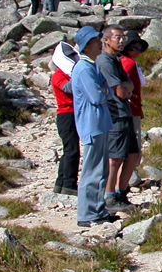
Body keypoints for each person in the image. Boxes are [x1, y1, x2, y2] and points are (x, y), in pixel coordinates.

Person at [71, 26, 118, 227]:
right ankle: (87, 213)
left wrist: (104, 90)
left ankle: (97, 209)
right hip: (92, 125)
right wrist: (104, 91)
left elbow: (104, 89)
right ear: (87, 45)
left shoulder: (91, 66)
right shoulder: (83, 69)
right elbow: (97, 95)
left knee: (100, 169)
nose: (100, 43)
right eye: (96, 40)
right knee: (92, 170)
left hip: (99, 123)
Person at [96, 24, 138, 212]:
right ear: (106, 40)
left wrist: (127, 86)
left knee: (132, 155)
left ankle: (121, 192)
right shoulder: (105, 62)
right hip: (115, 114)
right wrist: (126, 87)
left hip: (124, 113)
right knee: (115, 158)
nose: (122, 41)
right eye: (117, 37)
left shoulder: (116, 60)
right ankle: (109, 196)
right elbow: (121, 90)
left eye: (123, 37)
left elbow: (129, 85)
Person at [51, 42, 81, 196]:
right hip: (66, 114)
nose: (73, 58)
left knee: (69, 150)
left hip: (71, 113)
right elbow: (67, 88)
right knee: (71, 150)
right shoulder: (58, 75)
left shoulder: (66, 73)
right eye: (70, 56)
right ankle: (69, 184)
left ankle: (61, 183)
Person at [120, 30, 148, 190]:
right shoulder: (128, 63)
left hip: (132, 107)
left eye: (139, 48)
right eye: (134, 47)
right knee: (133, 143)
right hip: (131, 107)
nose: (137, 51)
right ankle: (132, 177)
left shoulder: (128, 61)